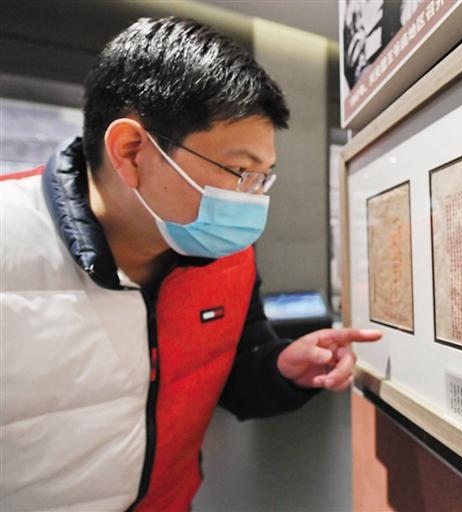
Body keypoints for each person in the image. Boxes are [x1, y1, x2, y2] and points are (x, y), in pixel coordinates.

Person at [0, 16, 381, 510]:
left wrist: (282, 368)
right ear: (131, 152)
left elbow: (229, 371)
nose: (252, 199)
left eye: (263, 178)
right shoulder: (11, 236)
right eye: (239, 171)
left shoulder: (226, 254)